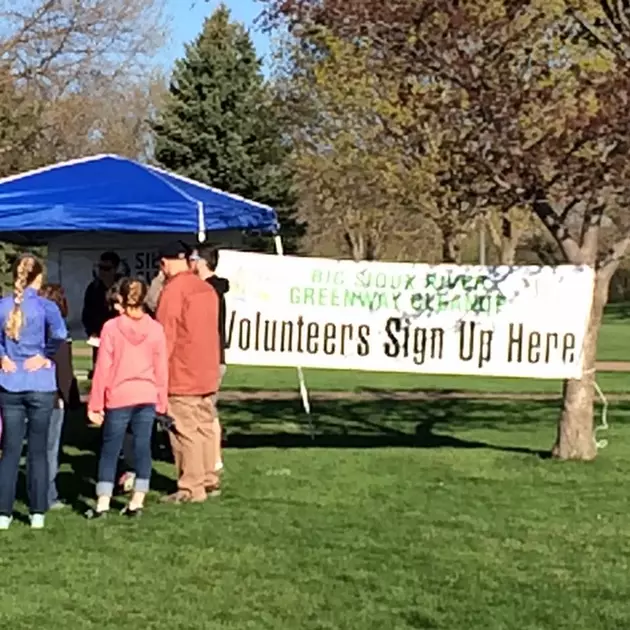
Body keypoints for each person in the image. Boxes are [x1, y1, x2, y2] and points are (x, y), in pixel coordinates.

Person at [87, 278, 168, 517]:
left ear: (121, 298)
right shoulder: (156, 329)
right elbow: (161, 368)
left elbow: (103, 368)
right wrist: (161, 401)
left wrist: (95, 404)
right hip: (147, 394)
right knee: (143, 447)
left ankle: (102, 502)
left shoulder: (111, 328)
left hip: (119, 395)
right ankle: (137, 501)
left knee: (110, 449)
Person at [0, 254, 67, 530]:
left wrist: (3, 355)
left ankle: (3, 512)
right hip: (40, 382)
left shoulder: (3, 305)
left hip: (9, 381)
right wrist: (45, 355)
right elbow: (60, 335)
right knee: (38, 451)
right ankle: (37, 511)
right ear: (38, 277)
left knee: (10, 450)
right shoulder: (46, 306)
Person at [156, 240, 221, 504]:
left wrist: (158, 374)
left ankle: (190, 487)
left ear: (164, 263)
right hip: (207, 370)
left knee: (184, 430)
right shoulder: (206, 288)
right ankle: (208, 478)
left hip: (181, 372)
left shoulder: (174, 291)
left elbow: (165, 335)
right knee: (204, 425)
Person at [190, 245, 230, 474]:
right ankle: (210, 457)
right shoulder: (213, 289)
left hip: (210, 357)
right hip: (213, 357)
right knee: (206, 409)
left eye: (194, 259)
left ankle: (213, 458)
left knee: (207, 410)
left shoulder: (208, 290)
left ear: (203, 262)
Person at [39, 283, 75, 510]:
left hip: (21, 392)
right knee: (49, 449)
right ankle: (47, 496)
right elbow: (64, 373)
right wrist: (71, 401)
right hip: (50, 397)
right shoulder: (58, 334)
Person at [81, 251, 120, 375]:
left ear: (115, 269)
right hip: (99, 338)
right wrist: (91, 332)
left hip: (120, 338)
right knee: (100, 372)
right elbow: (86, 313)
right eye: (101, 268)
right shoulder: (93, 288)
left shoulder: (122, 286)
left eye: (107, 268)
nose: (103, 272)